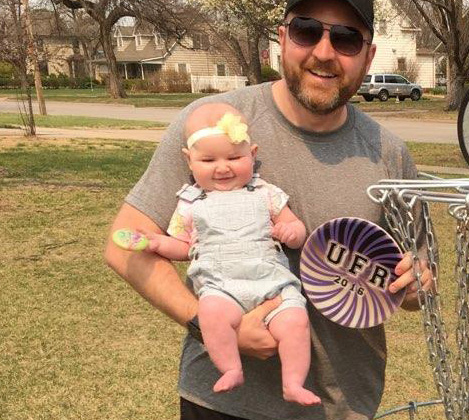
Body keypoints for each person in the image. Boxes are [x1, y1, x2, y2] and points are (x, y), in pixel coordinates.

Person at [103, 0, 432, 420]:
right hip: (225, 407)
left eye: (346, 38)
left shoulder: (390, 155)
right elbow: (125, 245)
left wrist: (415, 283)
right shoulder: (212, 123)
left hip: (345, 406)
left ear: (369, 55)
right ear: (282, 37)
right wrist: (208, 325)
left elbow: (413, 282)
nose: (324, 51)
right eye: (306, 30)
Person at [115, 103, 318, 404]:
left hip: (270, 283)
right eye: (208, 159)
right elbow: (185, 247)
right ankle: (231, 368)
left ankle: (293, 383)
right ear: (189, 160)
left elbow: (294, 225)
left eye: (234, 157)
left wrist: (292, 231)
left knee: (296, 322)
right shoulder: (191, 203)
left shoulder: (266, 192)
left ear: (253, 154)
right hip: (221, 287)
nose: (222, 168)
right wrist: (156, 243)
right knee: (210, 315)